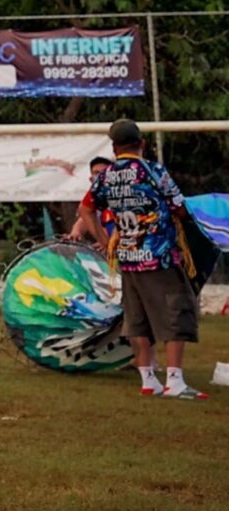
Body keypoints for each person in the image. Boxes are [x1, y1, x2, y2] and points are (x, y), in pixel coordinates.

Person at [70, 118, 203, 399]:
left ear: (115, 148)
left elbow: (85, 210)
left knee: (137, 317)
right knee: (177, 309)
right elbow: (179, 208)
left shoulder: (105, 176)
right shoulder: (152, 172)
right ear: (141, 143)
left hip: (127, 257)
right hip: (159, 256)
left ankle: (148, 379)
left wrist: (108, 244)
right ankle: (175, 381)